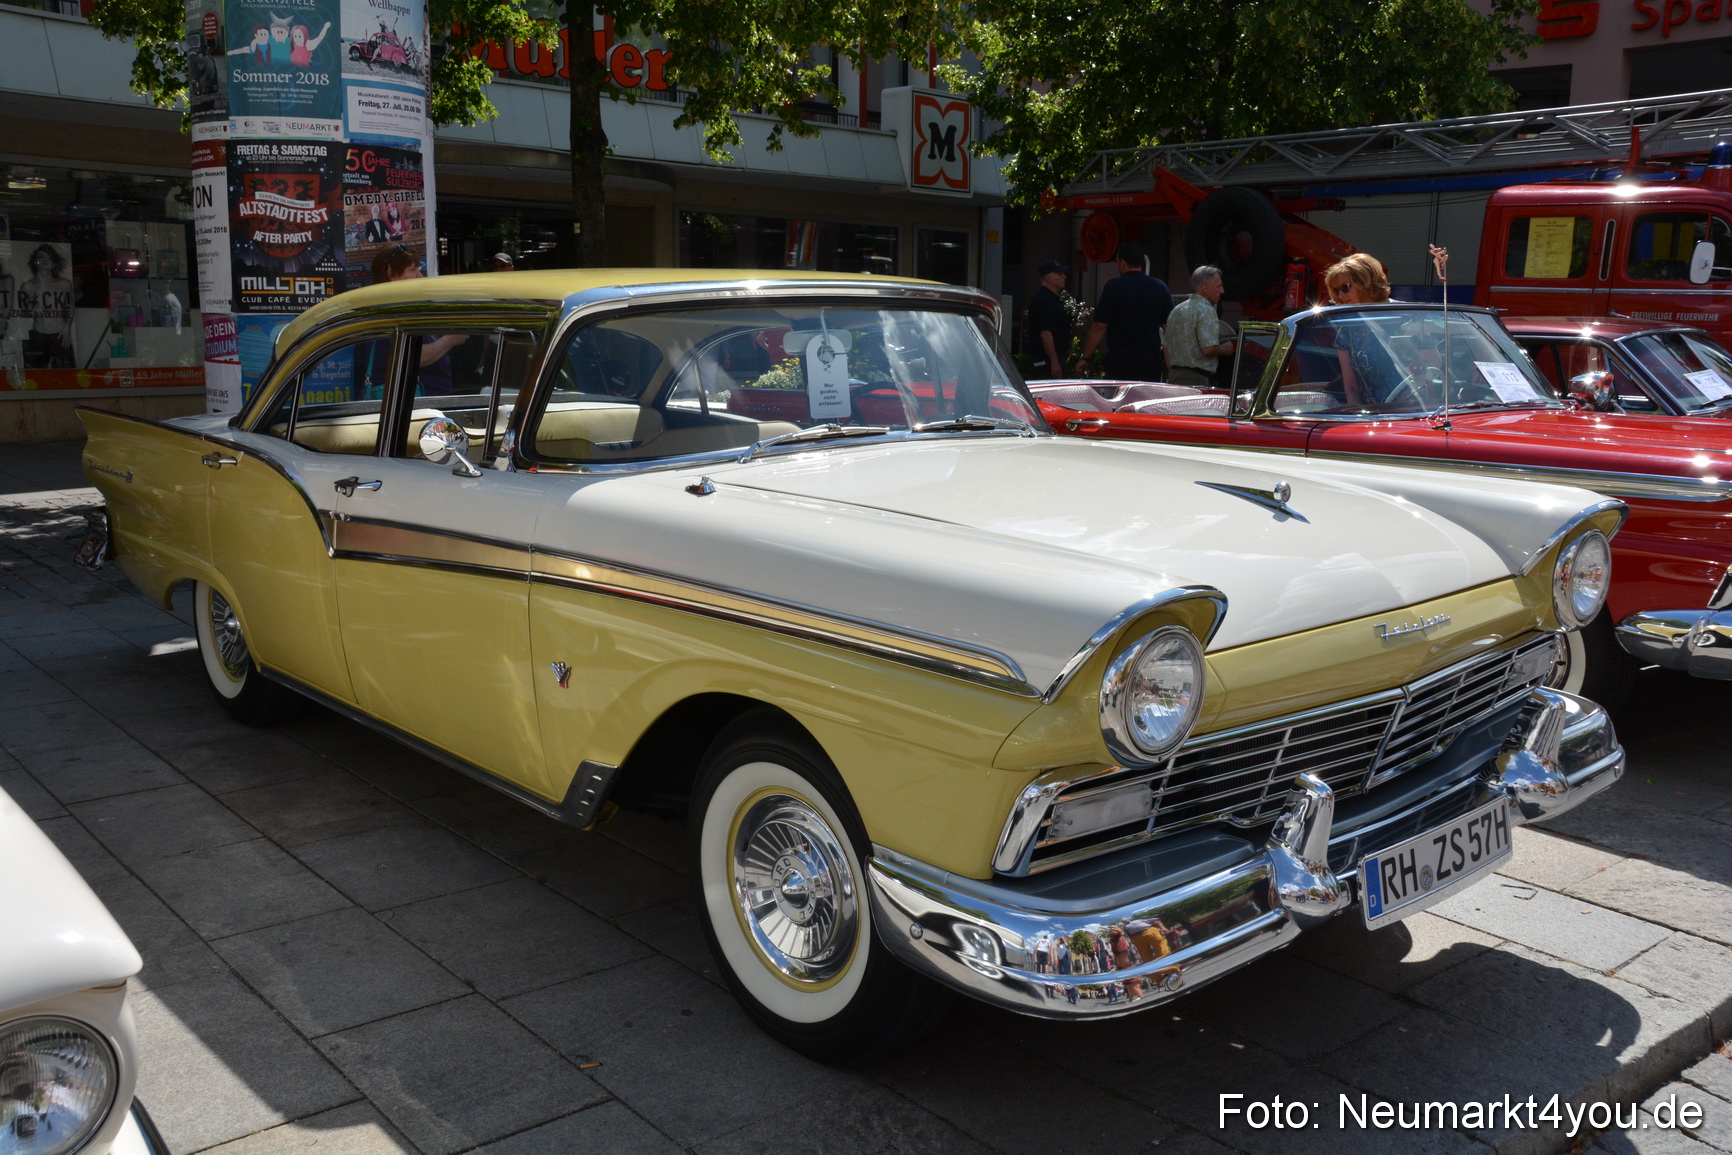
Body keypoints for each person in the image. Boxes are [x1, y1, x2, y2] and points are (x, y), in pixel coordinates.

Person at [366, 244, 468, 396]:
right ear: (391, 274)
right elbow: (413, 357)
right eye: (412, 270)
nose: (419, 275)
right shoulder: (389, 311)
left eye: (418, 269)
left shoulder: (402, 308)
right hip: (412, 408)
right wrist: (450, 340)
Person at [1074, 242, 1173, 381]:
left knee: (1119, 400)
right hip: (1149, 358)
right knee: (1147, 400)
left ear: (1122, 263)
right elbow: (1169, 328)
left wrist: (1086, 357)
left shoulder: (1113, 286)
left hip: (1120, 358)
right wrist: (1171, 364)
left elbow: (1099, 326)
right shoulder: (1160, 287)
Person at [1164, 265, 1236, 389]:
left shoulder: (1177, 310)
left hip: (1174, 377)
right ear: (1205, 288)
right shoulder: (1206, 310)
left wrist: (1172, 371)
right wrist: (1226, 348)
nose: (1222, 291)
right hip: (1197, 379)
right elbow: (1208, 349)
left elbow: (1166, 347)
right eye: (1219, 286)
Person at [1022, 258, 1070, 379]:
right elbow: (1046, 333)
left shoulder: (1049, 299)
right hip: (1045, 359)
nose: (1064, 276)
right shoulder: (1046, 300)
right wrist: (1054, 362)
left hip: (1047, 358)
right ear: (1049, 277)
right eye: (1060, 274)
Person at [1323, 252, 1391, 305]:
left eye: (1345, 287)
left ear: (1365, 282)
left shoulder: (1399, 313)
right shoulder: (1342, 320)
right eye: (1336, 291)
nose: (1340, 295)